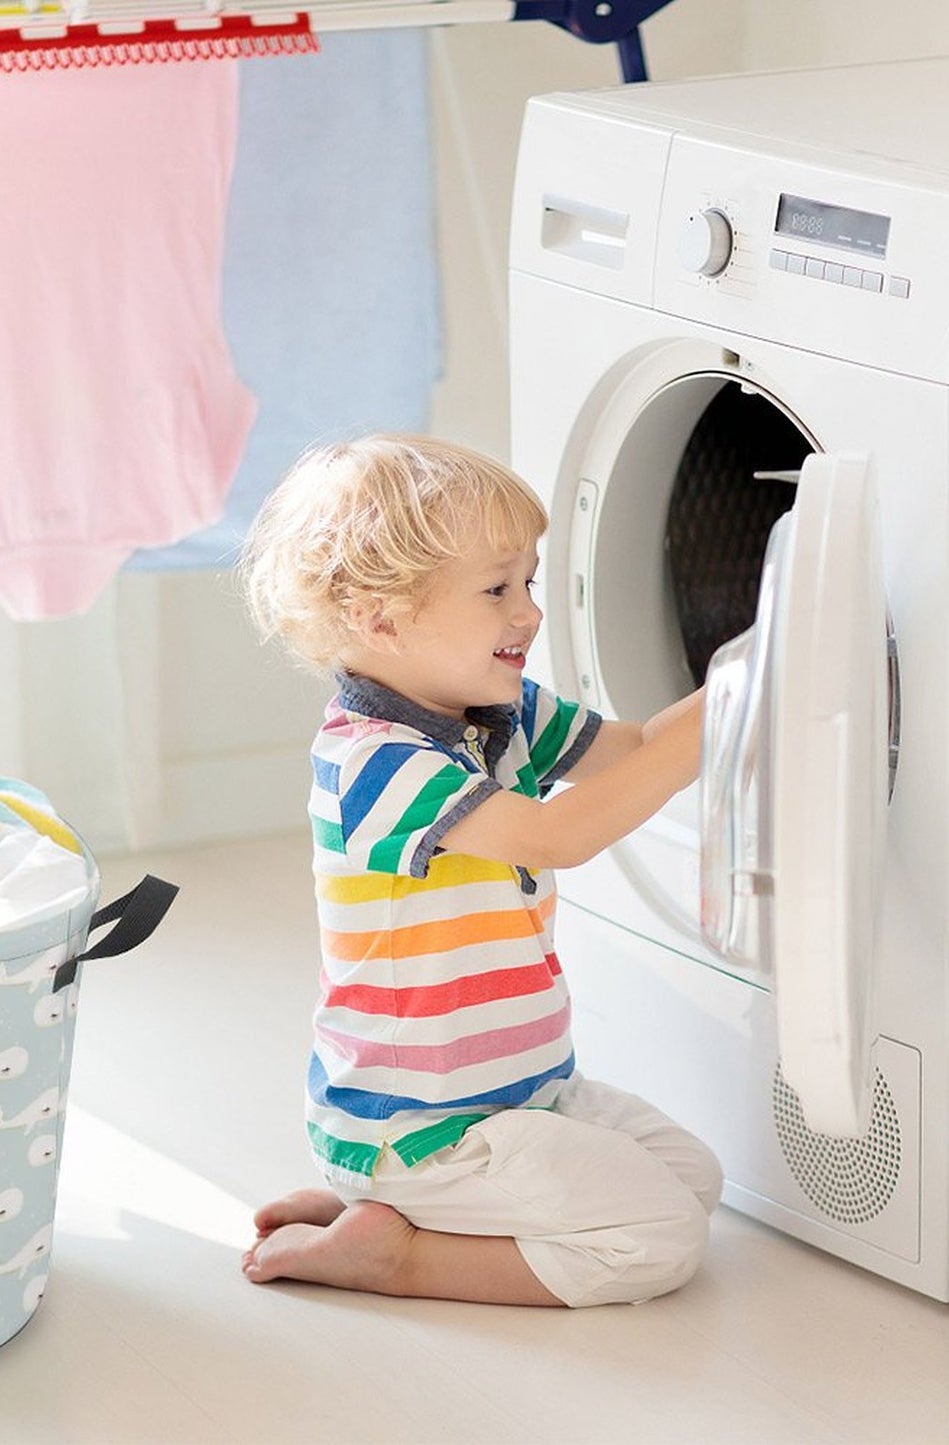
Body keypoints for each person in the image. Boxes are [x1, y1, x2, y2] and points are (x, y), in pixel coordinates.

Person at [237, 434, 721, 1309]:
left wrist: (742, 677)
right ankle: (394, 1252)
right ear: (380, 619)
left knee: (696, 1180)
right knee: (659, 1239)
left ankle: (388, 1209)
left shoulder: (499, 712)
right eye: (497, 588)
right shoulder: (373, 762)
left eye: (527, 582)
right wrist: (724, 709)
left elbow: (633, 752)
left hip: (527, 1089)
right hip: (423, 1122)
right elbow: (551, 835)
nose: (528, 612)